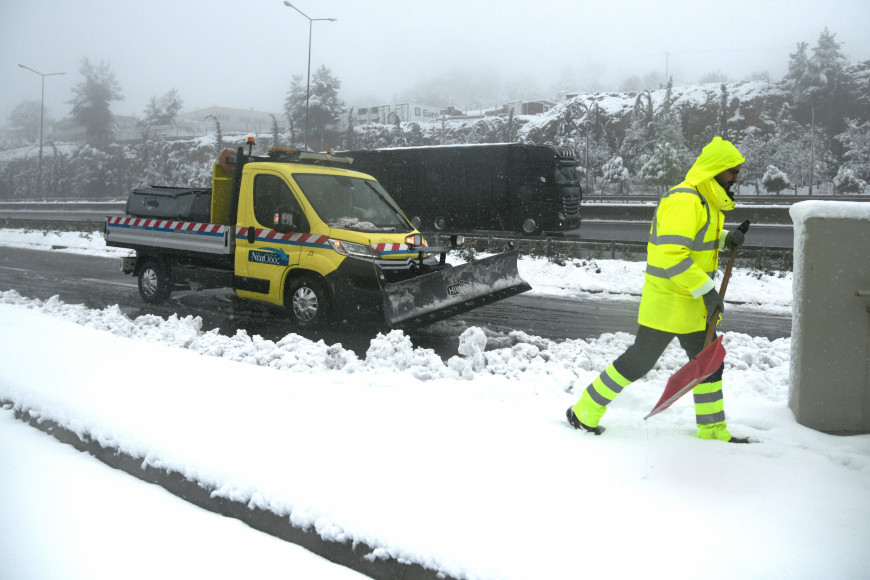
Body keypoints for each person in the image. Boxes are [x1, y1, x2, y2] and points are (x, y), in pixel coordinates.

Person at [566, 136, 750, 443]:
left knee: (710, 364)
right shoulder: (685, 200)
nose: (737, 178)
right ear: (716, 170)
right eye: (733, 171)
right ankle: (584, 410)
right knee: (638, 362)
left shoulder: (706, 201)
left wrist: (725, 239)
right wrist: (707, 290)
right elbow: (671, 254)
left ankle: (713, 430)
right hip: (669, 302)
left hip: (690, 303)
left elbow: (695, 240)